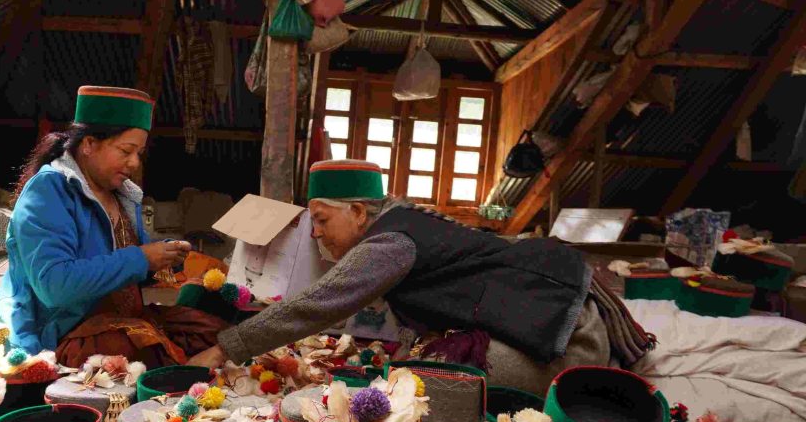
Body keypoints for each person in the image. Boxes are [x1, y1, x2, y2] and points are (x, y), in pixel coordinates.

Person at [188, 159, 653, 394]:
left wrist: (225, 346)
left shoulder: (390, 243)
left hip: (570, 338)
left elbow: (319, 303)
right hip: (562, 312)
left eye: (322, 219)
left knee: (426, 383)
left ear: (356, 211)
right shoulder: (402, 226)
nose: (316, 234)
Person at [0, 86, 230, 368]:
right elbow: (54, 287)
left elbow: (131, 272)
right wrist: (141, 258)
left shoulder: (122, 195)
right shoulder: (49, 191)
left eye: (139, 153)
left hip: (126, 322)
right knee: (138, 353)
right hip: (68, 334)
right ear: (89, 144)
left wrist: (164, 261)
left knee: (219, 332)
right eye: (126, 151)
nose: (134, 163)